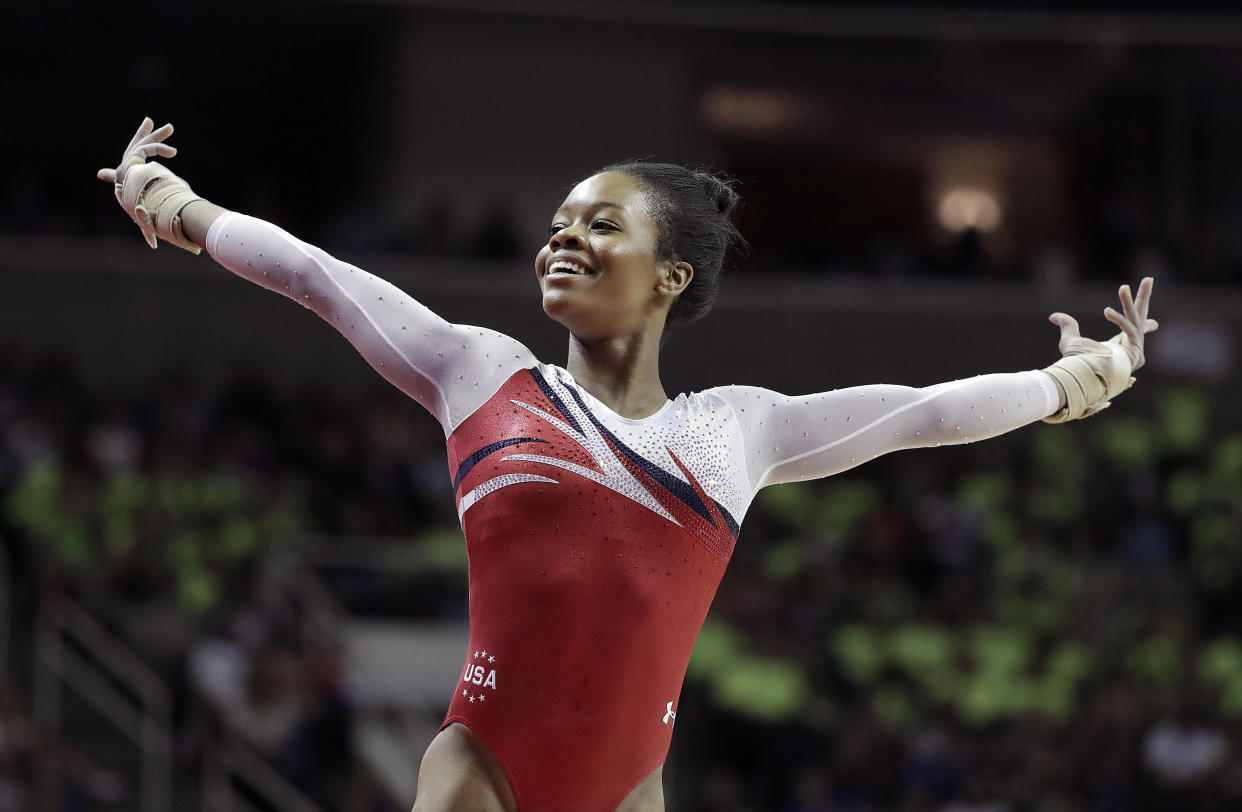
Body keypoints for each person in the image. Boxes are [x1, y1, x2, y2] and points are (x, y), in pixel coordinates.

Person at [98, 118, 1157, 812]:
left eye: (601, 225)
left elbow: (924, 413)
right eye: (557, 224)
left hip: (627, 789)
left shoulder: (735, 431)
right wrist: (168, 202)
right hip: (482, 768)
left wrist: (1081, 380)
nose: (562, 239)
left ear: (670, 275)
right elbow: (321, 278)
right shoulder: (483, 373)